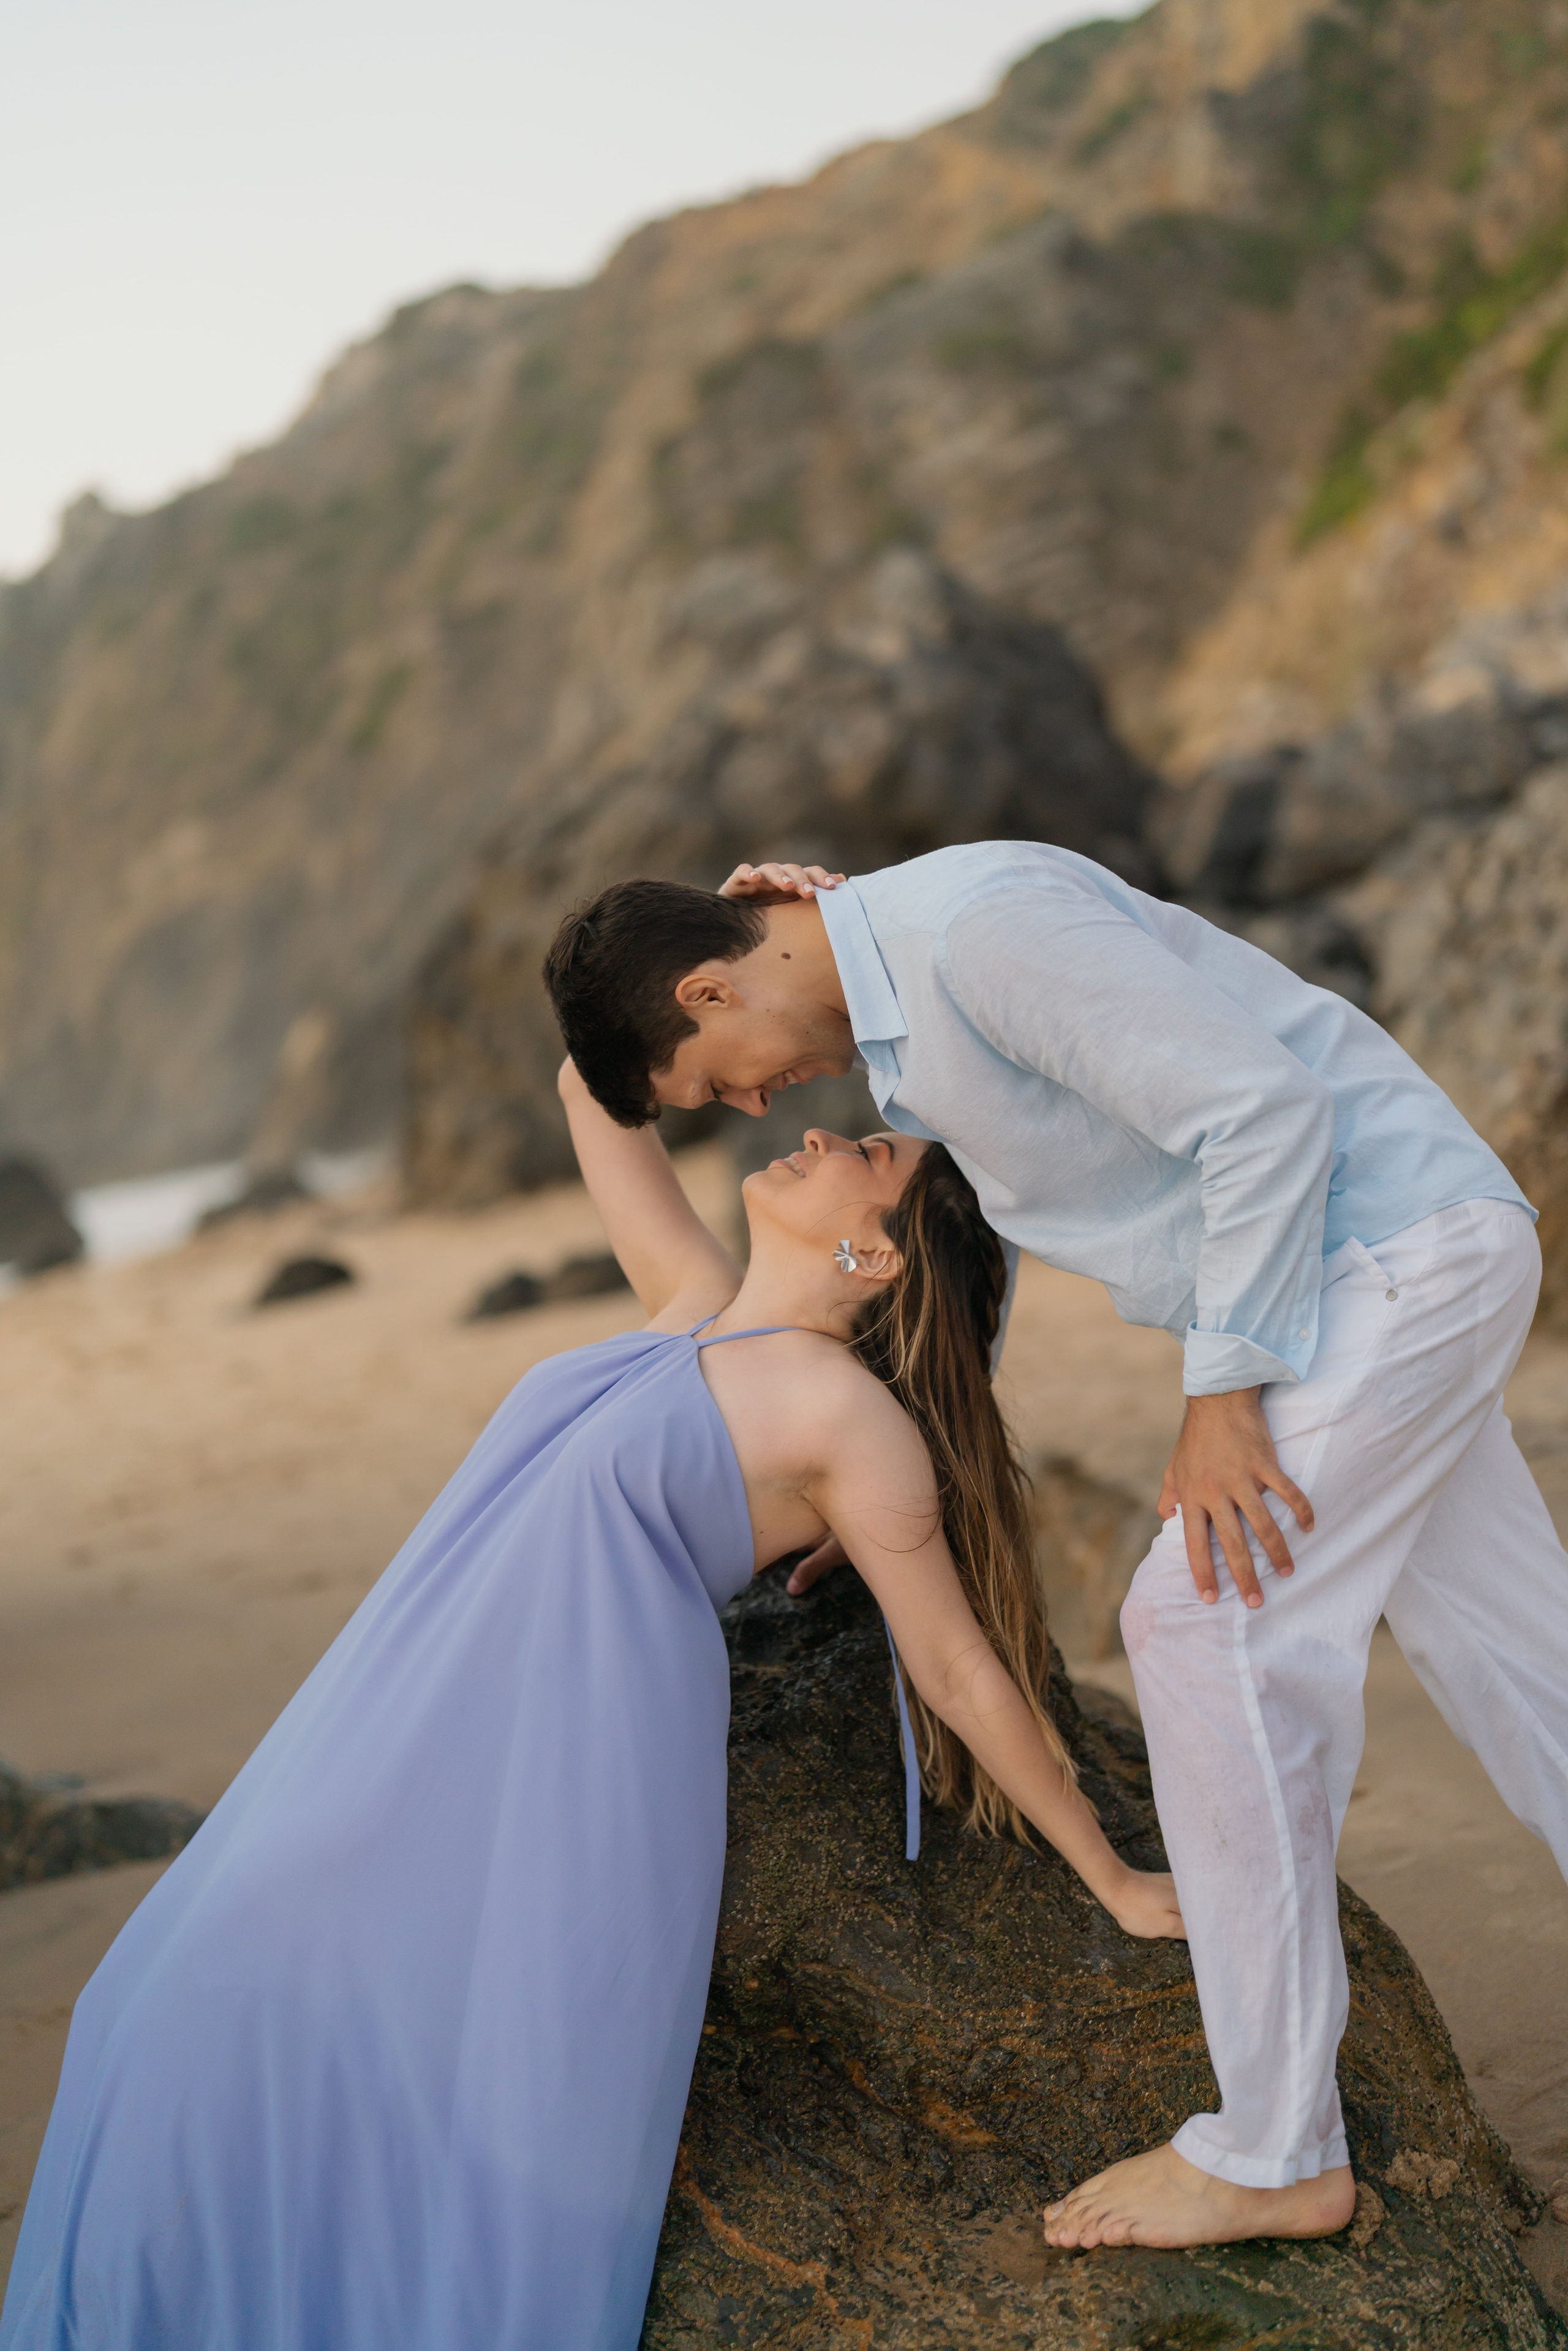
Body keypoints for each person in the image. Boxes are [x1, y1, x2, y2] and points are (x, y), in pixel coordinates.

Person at [1, 1061, 1180, 2351]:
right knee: (151, 2002)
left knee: (252, 2021)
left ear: (879, 1255)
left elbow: (957, 1671)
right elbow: (593, 1091)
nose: (825, 1130)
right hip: (405, 1707)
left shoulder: (844, 1419)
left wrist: (1110, 1874)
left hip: (555, 1758)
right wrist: (718, 996)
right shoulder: (695, 1306)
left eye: (872, 1154)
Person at [543, 842, 1568, 2251]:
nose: (760, 1103)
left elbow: (1259, 1114)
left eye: (719, 1076)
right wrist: (882, 1489)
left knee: (1203, 1627)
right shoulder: (898, 992)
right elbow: (993, 1221)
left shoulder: (968, 935)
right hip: (1369, 1267)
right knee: (1521, 1655)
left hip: (1384, 1258)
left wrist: (1219, 1403)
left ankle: (1274, 2146)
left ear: (711, 987)